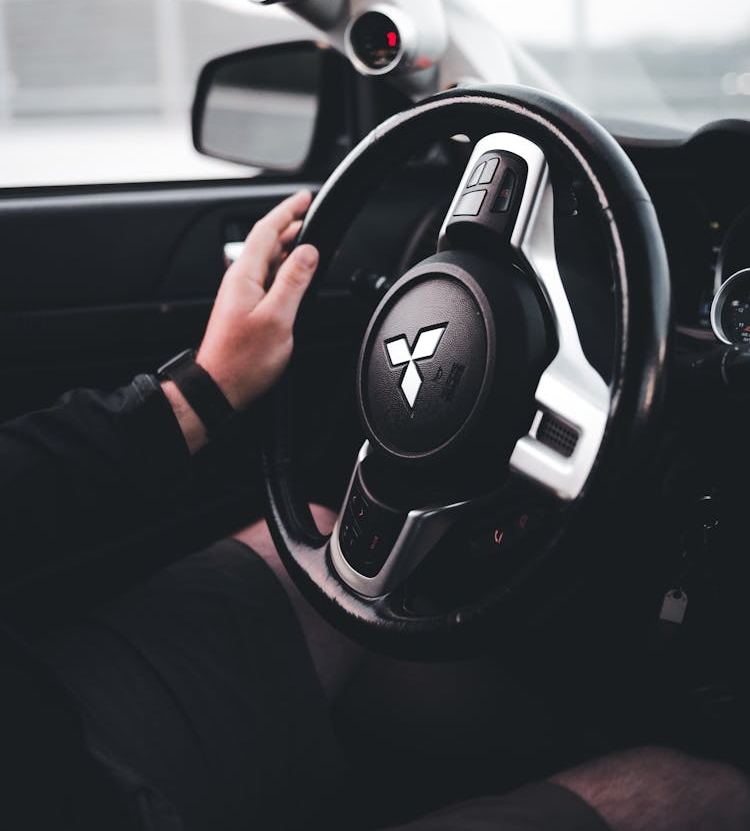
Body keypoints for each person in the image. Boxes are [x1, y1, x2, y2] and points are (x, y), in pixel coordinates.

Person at [0, 190, 748, 831]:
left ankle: (569, 753)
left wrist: (203, 387)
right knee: (687, 793)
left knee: (319, 571)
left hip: (45, 718)